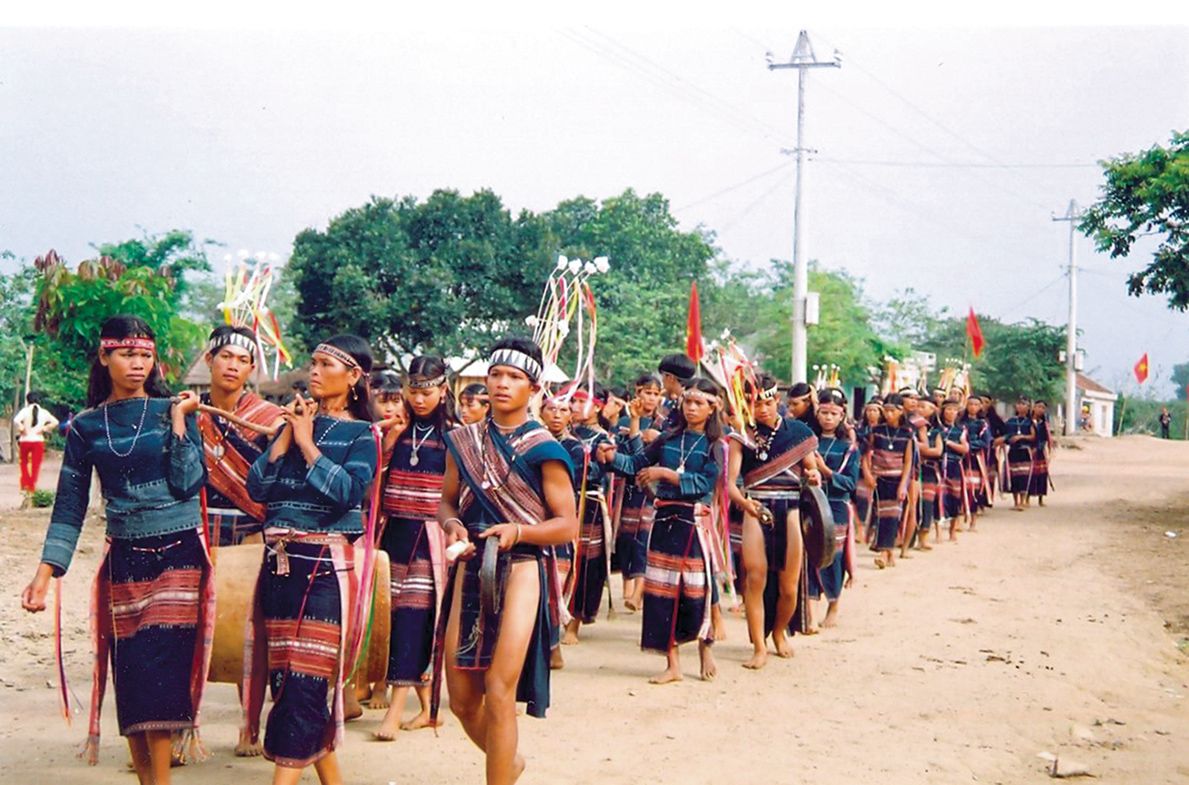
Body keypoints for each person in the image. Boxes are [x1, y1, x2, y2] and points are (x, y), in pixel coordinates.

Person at [21, 315, 210, 785]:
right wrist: (44, 575)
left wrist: (183, 424)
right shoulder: (84, 427)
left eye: (145, 355)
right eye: (127, 354)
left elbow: (189, 482)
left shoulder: (174, 410)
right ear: (104, 357)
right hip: (125, 556)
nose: (137, 364)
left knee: (161, 668)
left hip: (179, 552)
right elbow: (69, 505)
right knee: (132, 673)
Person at [432, 337, 577, 785]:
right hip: (471, 566)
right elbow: (446, 503)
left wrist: (520, 531)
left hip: (523, 570)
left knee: (498, 692)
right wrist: (452, 526)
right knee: (460, 699)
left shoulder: (545, 448)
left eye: (514, 377)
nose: (501, 383)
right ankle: (508, 764)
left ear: (532, 388)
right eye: (496, 374)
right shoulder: (464, 441)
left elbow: (567, 525)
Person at [242, 335, 380, 784]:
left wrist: (307, 443)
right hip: (279, 566)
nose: (314, 371)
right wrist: (285, 441)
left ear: (354, 377)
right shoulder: (293, 426)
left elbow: (346, 493)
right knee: (288, 683)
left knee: (304, 683)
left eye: (326, 364)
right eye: (313, 363)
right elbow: (257, 491)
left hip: (324, 566)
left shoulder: (363, 435)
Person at [608, 377, 725, 683]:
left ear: (713, 408)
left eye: (699, 403)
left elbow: (704, 483)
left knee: (699, 589)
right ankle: (672, 665)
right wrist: (609, 457)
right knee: (662, 593)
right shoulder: (668, 438)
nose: (692, 408)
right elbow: (635, 464)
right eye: (688, 401)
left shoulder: (716, 445)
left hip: (694, 522)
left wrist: (666, 474)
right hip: (663, 522)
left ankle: (705, 646)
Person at [373, 356, 456, 740]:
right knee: (391, 619)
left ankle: (393, 712)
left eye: (427, 391)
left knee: (413, 619)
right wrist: (388, 443)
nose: (419, 399)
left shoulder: (456, 435)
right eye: (414, 390)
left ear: (443, 390)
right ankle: (426, 708)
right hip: (393, 535)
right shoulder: (395, 430)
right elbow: (374, 481)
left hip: (430, 538)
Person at [724, 373, 819, 668]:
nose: (761, 409)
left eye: (766, 402)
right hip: (756, 507)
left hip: (790, 508)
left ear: (777, 401)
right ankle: (758, 646)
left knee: (789, 586)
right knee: (755, 579)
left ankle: (779, 633)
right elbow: (730, 484)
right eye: (754, 404)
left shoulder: (798, 432)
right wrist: (745, 503)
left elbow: (811, 472)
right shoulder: (742, 435)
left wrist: (813, 475)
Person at [198, 326, 285, 550]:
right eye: (225, 356)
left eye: (242, 360)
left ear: (251, 368)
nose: (233, 366)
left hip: (251, 533)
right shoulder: (190, 412)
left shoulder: (270, 419)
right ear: (209, 359)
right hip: (195, 528)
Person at [561, 384, 615, 645]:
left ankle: (574, 622)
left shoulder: (603, 439)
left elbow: (599, 472)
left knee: (583, 565)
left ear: (597, 407)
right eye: (571, 402)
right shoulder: (562, 432)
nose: (573, 407)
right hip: (560, 502)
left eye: (580, 401)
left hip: (588, 504)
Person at [807, 387, 858, 629]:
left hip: (835, 507)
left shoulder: (847, 447)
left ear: (841, 416)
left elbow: (850, 482)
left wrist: (826, 472)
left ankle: (834, 604)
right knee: (809, 553)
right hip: (811, 504)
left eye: (833, 413)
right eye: (824, 412)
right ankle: (810, 608)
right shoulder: (808, 441)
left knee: (832, 557)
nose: (828, 417)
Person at [613, 373, 664, 610]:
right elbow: (629, 457)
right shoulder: (623, 422)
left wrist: (656, 438)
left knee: (645, 538)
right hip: (627, 488)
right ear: (638, 392)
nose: (651, 398)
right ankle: (627, 585)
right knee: (625, 537)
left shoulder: (665, 425)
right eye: (648, 392)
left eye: (656, 394)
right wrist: (635, 429)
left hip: (652, 490)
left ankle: (638, 592)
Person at [864, 393, 914, 569]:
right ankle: (889, 552)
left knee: (892, 516)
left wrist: (903, 485)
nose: (888, 414)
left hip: (896, 478)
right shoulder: (876, 431)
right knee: (881, 515)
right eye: (885, 410)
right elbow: (867, 454)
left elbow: (908, 462)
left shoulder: (908, 433)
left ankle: (884, 553)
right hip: (879, 479)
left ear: (900, 412)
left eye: (892, 411)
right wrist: (868, 474)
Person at [13, 390, 59, 503]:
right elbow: (55, 422)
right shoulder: (44, 412)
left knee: (23, 462)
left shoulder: (24, 411)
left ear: (27, 400)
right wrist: (44, 429)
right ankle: (32, 486)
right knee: (35, 464)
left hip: (25, 440)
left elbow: (16, 420)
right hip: (38, 440)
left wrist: (22, 428)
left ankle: (25, 483)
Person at [938, 396, 970, 542]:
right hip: (938, 466)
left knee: (955, 497)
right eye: (948, 409)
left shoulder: (961, 430)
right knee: (938, 497)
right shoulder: (936, 428)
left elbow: (965, 449)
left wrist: (949, 443)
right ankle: (938, 532)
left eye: (954, 410)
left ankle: (952, 530)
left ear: (958, 412)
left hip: (954, 466)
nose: (950, 412)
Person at [914, 397, 943, 549]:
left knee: (927, 502)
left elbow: (938, 451)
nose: (920, 409)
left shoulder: (937, 431)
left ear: (933, 410)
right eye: (919, 406)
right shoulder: (909, 426)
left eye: (924, 406)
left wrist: (923, 450)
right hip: (914, 468)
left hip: (929, 470)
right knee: (913, 503)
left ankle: (924, 537)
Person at [999, 397, 1037, 511]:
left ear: (1028, 407)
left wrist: (1021, 437)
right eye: (1019, 404)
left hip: (1025, 451)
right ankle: (1016, 502)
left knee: (1024, 475)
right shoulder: (1010, 421)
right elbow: (1004, 434)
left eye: (1024, 404)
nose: (1021, 406)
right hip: (1013, 451)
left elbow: (1033, 436)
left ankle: (1023, 500)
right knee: (1013, 475)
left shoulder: (1030, 422)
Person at [853, 397, 883, 545]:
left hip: (881, 469)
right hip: (862, 468)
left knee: (878, 502)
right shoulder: (860, 430)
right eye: (869, 410)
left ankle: (873, 532)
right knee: (861, 499)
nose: (872, 413)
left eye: (875, 410)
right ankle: (860, 529)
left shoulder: (885, 431)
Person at [960, 395, 991, 528]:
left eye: (975, 404)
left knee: (976, 488)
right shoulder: (960, 423)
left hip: (976, 459)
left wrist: (969, 445)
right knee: (961, 487)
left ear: (980, 407)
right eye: (970, 404)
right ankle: (959, 520)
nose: (973, 407)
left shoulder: (983, 424)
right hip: (961, 458)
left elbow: (985, 441)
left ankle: (973, 520)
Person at [655, 353, 696, 429]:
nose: (662, 380)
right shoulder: (676, 401)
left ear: (670, 377)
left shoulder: (685, 401)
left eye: (663, 375)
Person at [1029, 400, 1053, 506]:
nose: (1040, 409)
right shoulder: (1028, 422)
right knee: (1030, 475)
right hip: (1029, 451)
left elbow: (1047, 438)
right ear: (1033, 407)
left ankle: (1040, 499)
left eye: (1043, 408)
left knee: (1042, 475)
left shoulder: (1044, 424)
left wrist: (1047, 449)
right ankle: (1026, 498)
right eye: (1038, 406)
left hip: (1041, 451)